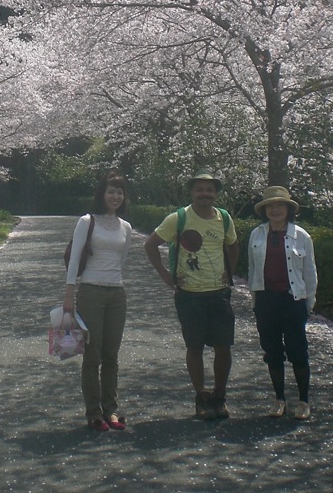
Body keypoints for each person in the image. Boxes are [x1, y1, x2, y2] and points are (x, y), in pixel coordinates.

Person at [144, 171, 238, 420]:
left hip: (218, 293)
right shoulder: (179, 218)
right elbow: (151, 244)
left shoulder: (224, 218)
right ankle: (201, 396)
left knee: (223, 347)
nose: (204, 194)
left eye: (209, 190)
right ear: (192, 192)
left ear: (215, 193)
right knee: (194, 347)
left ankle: (220, 395)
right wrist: (165, 275)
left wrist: (229, 275)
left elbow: (232, 245)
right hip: (189, 294)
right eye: (200, 189)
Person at [64, 171, 134, 432]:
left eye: (119, 192)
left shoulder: (125, 227)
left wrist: (116, 283)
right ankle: (94, 411)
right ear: (101, 194)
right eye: (110, 191)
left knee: (111, 355)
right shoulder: (87, 221)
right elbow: (75, 258)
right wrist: (69, 292)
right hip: (91, 292)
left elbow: (122, 261)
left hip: (117, 293)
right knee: (92, 355)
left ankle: (111, 410)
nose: (115, 196)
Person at [247, 185, 317, 420]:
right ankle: (279, 399)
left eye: (280, 205)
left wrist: (308, 304)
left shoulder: (301, 236)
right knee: (272, 351)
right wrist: (255, 300)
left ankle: (304, 401)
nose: (275, 209)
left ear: (288, 209)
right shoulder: (257, 234)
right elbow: (252, 269)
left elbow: (310, 274)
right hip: (266, 301)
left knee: (298, 351)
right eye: (271, 206)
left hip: (292, 300)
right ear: (264, 210)